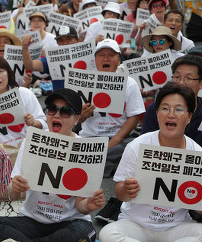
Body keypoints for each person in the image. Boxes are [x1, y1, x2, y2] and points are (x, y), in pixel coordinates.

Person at [0, 88, 105, 242]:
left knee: (86, 234)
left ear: (77, 119)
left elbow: (81, 207)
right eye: (52, 109)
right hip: (33, 221)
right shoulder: (32, 142)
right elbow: (12, 194)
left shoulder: (84, 150)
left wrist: (91, 204)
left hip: (68, 223)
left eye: (66, 111)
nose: (57, 115)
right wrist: (15, 187)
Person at [99, 82, 202, 242]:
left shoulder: (197, 154)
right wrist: (126, 190)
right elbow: (119, 193)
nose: (171, 114)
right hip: (136, 224)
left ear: (189, 117)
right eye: (165, 108)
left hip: (175, 226)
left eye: (178, 109)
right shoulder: (137, 146)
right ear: (157, 114)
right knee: (107, 235)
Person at [79, 39, 145, 178]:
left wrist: (114, 141)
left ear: (119, 60)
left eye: (111, 55)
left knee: (137, 148)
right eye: (101, 55)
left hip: (119, 139)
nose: (106, 58)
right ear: (95, 60)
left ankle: (103, 161)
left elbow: (134, 117)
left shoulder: (129, 83)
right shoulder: (83, 82)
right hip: (90, 138)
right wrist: (82, 115)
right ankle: (110, 162)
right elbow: (74, 120)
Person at [0, 55, 47, 147]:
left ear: (8, 74)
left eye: (1, 71)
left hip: (27, 147)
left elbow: (44, 121)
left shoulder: (25, 93)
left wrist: (33, 123)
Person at [141, 54, 202, 147]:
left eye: (188, 78)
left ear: (201, 84)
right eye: (177, 77)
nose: (181, 82)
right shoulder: (154, 108)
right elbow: (144, 147)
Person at [22, 26, 79, 91]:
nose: (65, 43)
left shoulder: (89, 55)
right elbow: (30, 65)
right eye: (61, 40)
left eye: (69, 39)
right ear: (57, 43)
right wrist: (25, 48)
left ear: (77, 40)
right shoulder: (52, 59)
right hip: (59, 99)